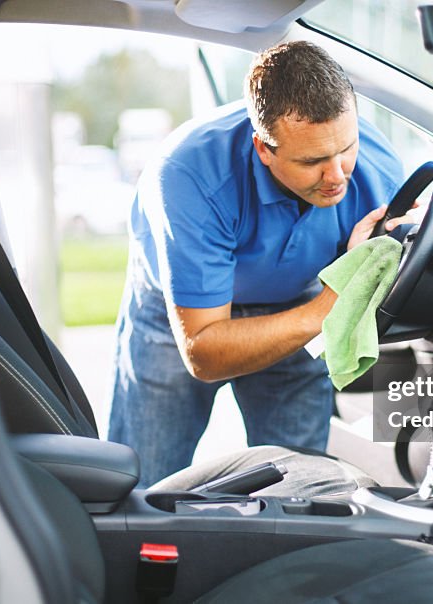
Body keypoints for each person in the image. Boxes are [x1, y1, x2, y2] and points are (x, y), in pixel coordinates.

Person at [109, 41, 406, 486]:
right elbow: (204, 352)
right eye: (312, 161)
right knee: (143, 486)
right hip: (180, 316)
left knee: (299, 488)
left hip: (300, 296)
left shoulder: (378, 170)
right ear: (263, 149)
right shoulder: (189, 176)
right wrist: (329, 307)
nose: (337, 175)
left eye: (346, 147)